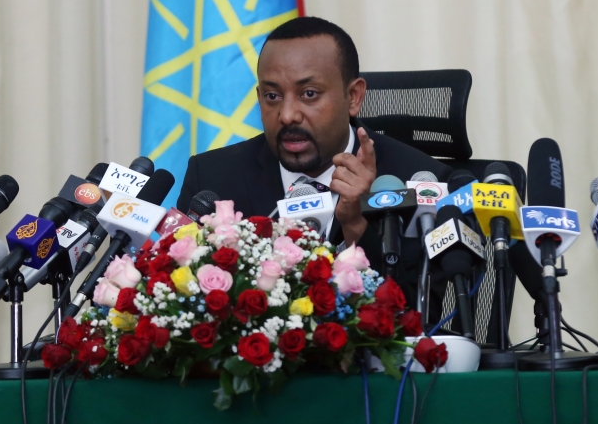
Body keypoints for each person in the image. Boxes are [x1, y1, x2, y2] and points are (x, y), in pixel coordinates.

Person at [177, 16, 451, 305]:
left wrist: (358, 225)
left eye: (309, 94)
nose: (287, 115)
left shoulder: (422, 183)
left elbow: (423, 313)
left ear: (353, 96)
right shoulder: (212, 178)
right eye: (272, 96)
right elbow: (180, 295)